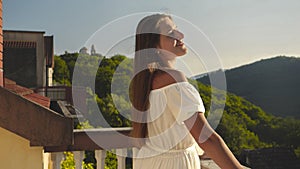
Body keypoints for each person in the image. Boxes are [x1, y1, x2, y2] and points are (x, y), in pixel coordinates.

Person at [130, 13, 243, 169]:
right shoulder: (172, 79)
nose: (180, 35)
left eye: (177, 29)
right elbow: (206, 137)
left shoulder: (145, 83)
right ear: (155, 47)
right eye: (171, 34)